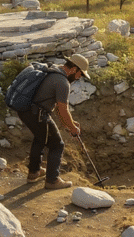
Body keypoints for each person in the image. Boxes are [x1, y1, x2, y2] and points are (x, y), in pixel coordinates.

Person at [18, 54, 91, 189]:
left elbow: (58, 108)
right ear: (74, 69)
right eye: (80, 74)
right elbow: (63, 110)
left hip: (26, 111)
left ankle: (34, 173)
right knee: (57, 145)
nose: (79, 78)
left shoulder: (53, 70)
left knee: (40, 138)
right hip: (38, 114)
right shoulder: (62, 82)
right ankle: (52, 180)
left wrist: (69, 124)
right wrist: (72, 128)